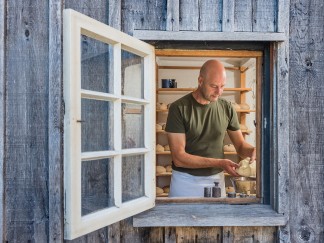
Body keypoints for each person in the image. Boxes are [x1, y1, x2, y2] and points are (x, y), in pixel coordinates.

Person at [165, 59, 256, 197]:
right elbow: (179, 157)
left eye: (222, 86)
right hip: (185, 182)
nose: (219, 92)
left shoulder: (226, 107)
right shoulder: (178, 108)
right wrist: (220, 162)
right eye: (214, 86)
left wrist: (254, 151)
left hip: (216, 181)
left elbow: (240, 146)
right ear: (200, 81)